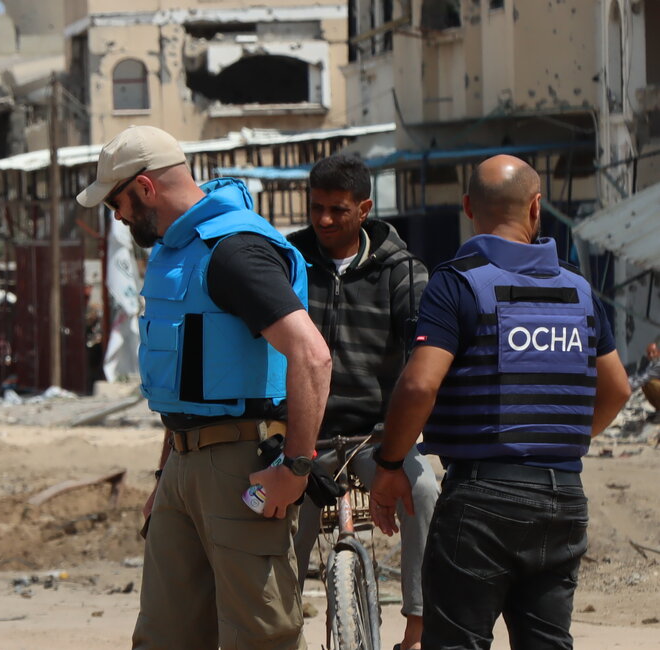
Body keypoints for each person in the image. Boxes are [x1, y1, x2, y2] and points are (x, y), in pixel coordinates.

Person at [77, 126, 332, 650]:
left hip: (240, 466)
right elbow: (189, 381)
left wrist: (296, 470)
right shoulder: (181, 252)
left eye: (117, 202)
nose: (117, 216)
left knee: (259, 638)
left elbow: (311, 354)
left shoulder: (235, 250)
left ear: (146, 187)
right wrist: (165, 476)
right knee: (163, 637)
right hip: (183, 465)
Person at [370, 155, 631, 650]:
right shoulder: (578, 289)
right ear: (537, 207)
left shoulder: (457, 282)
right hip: (563, 500)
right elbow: (617, 389)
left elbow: (420, 385)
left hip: (482, 500)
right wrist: (557, 435)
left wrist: (388, 464)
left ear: (468, 207)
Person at [285, 154, 438, 650]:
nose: (324, 220)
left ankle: (417, 626)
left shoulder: (402, 271)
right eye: (316, 208)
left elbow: (425, 351)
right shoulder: (288, 263)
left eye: (338, 210)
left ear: (365, 207)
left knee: (426, 491)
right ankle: (280, 633)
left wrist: (405, 440)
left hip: (377, 437)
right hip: (304, 438)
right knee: (272, 529)